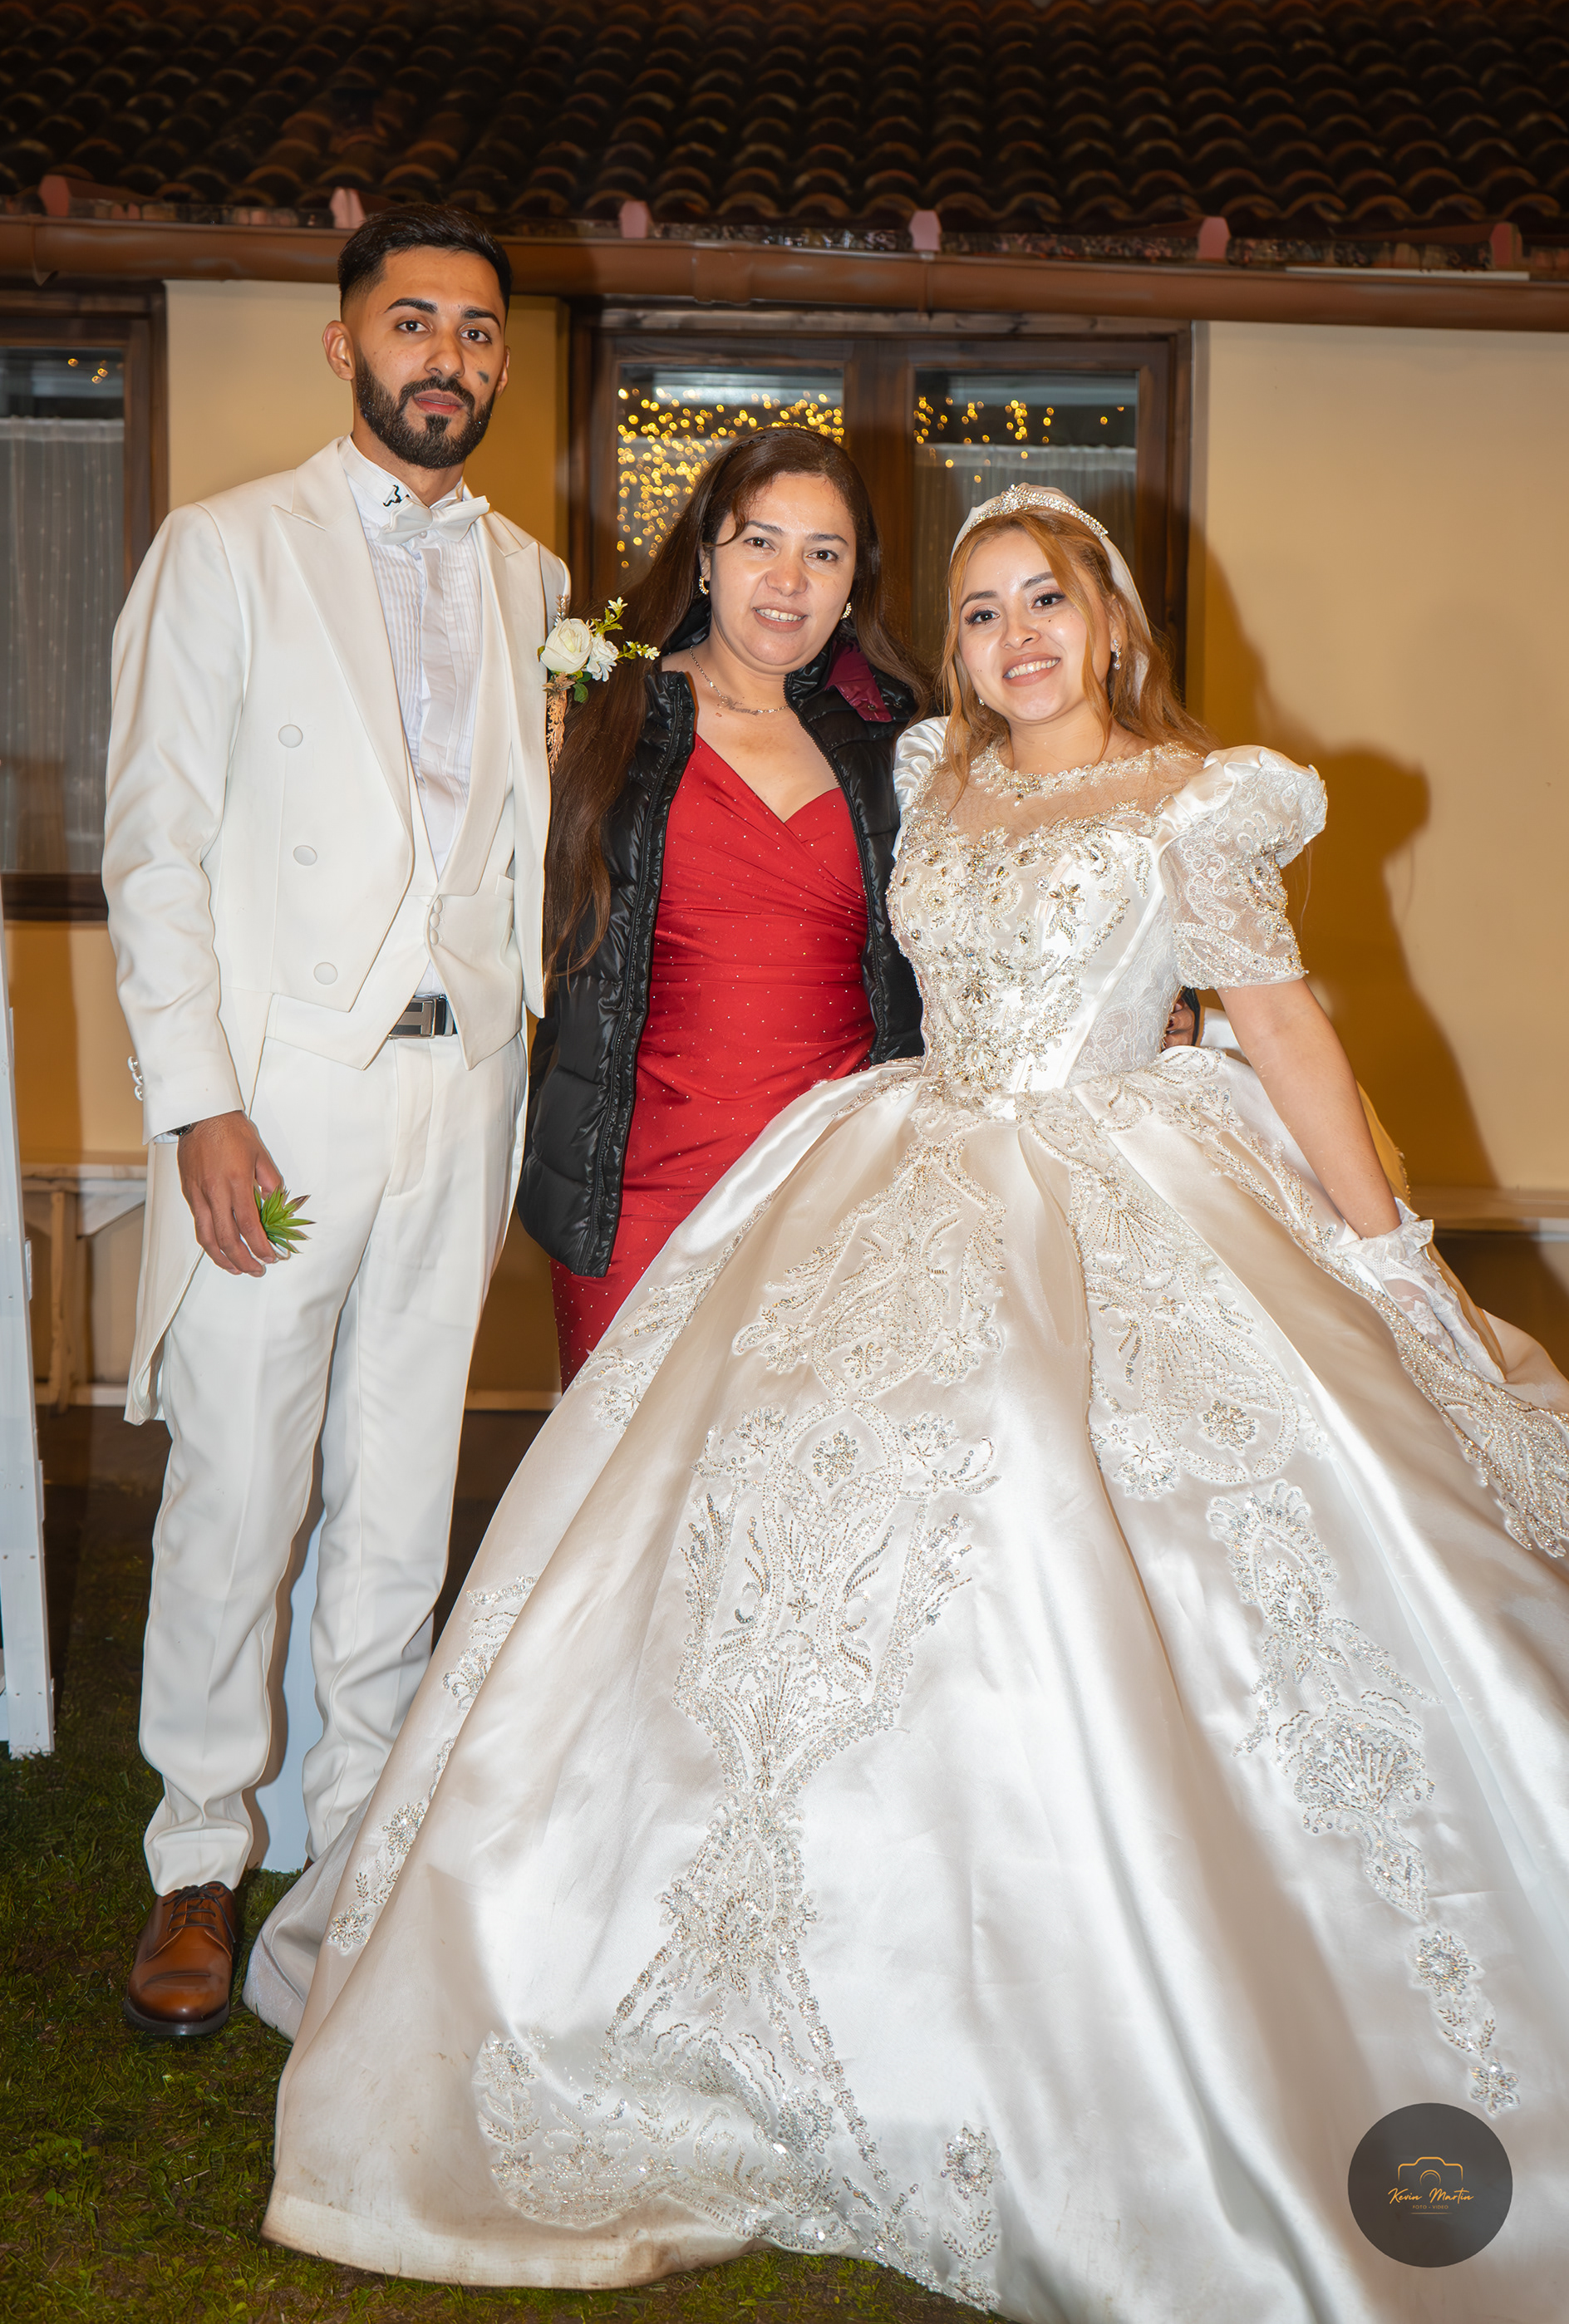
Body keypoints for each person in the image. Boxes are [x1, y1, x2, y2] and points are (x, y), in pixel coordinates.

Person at [262, 488, 1569, 2319]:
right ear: (946, 649)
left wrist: (1390, 1253)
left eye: (1047, 600)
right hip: (896, 1167)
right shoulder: (930, 776)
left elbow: (1283, 1026)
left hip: (1121, 1193)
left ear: (1110, 622)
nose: (1015, 636)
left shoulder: (1199, 802)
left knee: (1071, 1526)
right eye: (978, 611)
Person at [103, 204, 566, 2041]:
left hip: (465, 1094)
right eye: (413, 321)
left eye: (476, 329)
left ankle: (360, 1837)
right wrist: (198, 1104)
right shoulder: (225, 549)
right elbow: (155, 851)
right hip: (283, 1106)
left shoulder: (535, 582)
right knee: (238, 1473)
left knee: (401, 1477)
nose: (446, 355)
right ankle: (199, 1850)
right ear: (345, 342)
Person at [515, 427, 927, 1381]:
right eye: (759, 542)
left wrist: (1160, 997)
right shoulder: (597, 714)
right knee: (619, 1468)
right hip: (636, 1193)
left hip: (837, 1197)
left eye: (823, 553)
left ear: (854, 582)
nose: (788, 580)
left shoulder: (901, 740)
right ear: (705, 557)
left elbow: (996, 913)